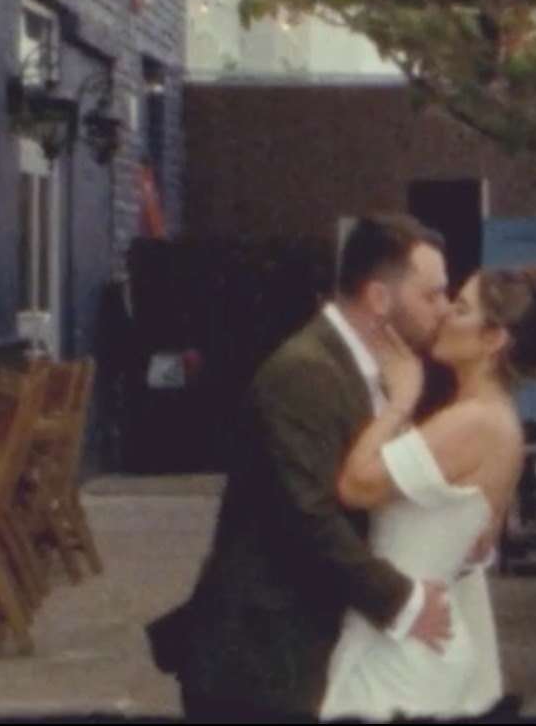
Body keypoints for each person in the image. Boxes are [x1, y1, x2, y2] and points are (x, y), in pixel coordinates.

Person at [150, 214, 459, 721]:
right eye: (432, 295)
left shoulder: (369, 370)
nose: (444, 310)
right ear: (379, 298)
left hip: (307, 655)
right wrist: (404, 602)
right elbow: (308, 516)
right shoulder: (304, 372)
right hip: (264, 661)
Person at [317, 263, 536, 722]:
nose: (444, 316)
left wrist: (402, 397)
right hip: (417, 632)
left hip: (407, 651)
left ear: (493, 339)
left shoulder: (474, 421)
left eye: (461, 308)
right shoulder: (495, 419)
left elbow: (356, 485)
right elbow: (479, 545)